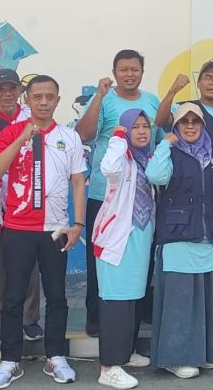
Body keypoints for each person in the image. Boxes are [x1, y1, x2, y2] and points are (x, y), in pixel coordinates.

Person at [0, 75, 87, 388]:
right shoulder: (11, 132)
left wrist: (78, 225)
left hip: (56, 230)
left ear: (57, 100)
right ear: (26, 100)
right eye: (37, 97)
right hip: (17, 229)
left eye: (49, 97)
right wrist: (20, 140)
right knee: (13, 298)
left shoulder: (69, 137)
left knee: (57, 296)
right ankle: (10, 360)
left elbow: (78, 181)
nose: (43, 102)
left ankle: (55, 356)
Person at [76, 49, 160, 337]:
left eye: (134, 69)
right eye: (123, 69)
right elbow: (84, 134)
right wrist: (98, 97)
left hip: (141, 198)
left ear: (142, 72)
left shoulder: (151, 101)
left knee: (140, 259)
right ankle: (97, 319)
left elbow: (157, 143)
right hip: (105, 195)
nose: (129, 74)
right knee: (101, 260)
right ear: (114, 72)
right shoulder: (104, 99)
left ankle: (134, 318)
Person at [155, 59, 213, 331]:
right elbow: (161, 122)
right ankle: (190, 317)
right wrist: (173, 90)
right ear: (199, 81)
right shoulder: (185, 108)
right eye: (208, 77)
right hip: (188, 189)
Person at [147, 103, 213, 379]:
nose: (190, 126)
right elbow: (155, 176)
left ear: (203, 125)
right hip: (177, 235)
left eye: (195, 121)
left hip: (207, 235)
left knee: (204, 301)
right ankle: (175, 358)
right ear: (176, 126)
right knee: (179, 302)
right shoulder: (170, 153)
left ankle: (205, 353)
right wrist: (164, 145)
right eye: (184, 122)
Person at [0, 68, 43, 346]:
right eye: (1, 89)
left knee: (30, 264)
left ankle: (29, 319)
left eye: (12, 88)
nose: (7, 94)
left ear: (20, 92)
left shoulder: (32, 119)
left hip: (25, 198)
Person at [91, 109, 156, 390]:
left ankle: (125, 352)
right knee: (116, 301)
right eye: (135, 127)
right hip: (117, 238)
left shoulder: (146, 160)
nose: (141, 131)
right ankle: (109, 367)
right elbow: (108, 168)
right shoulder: (121, 158)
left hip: (139, 239)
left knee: (132, 299)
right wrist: (117, 137)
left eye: (146, 126)